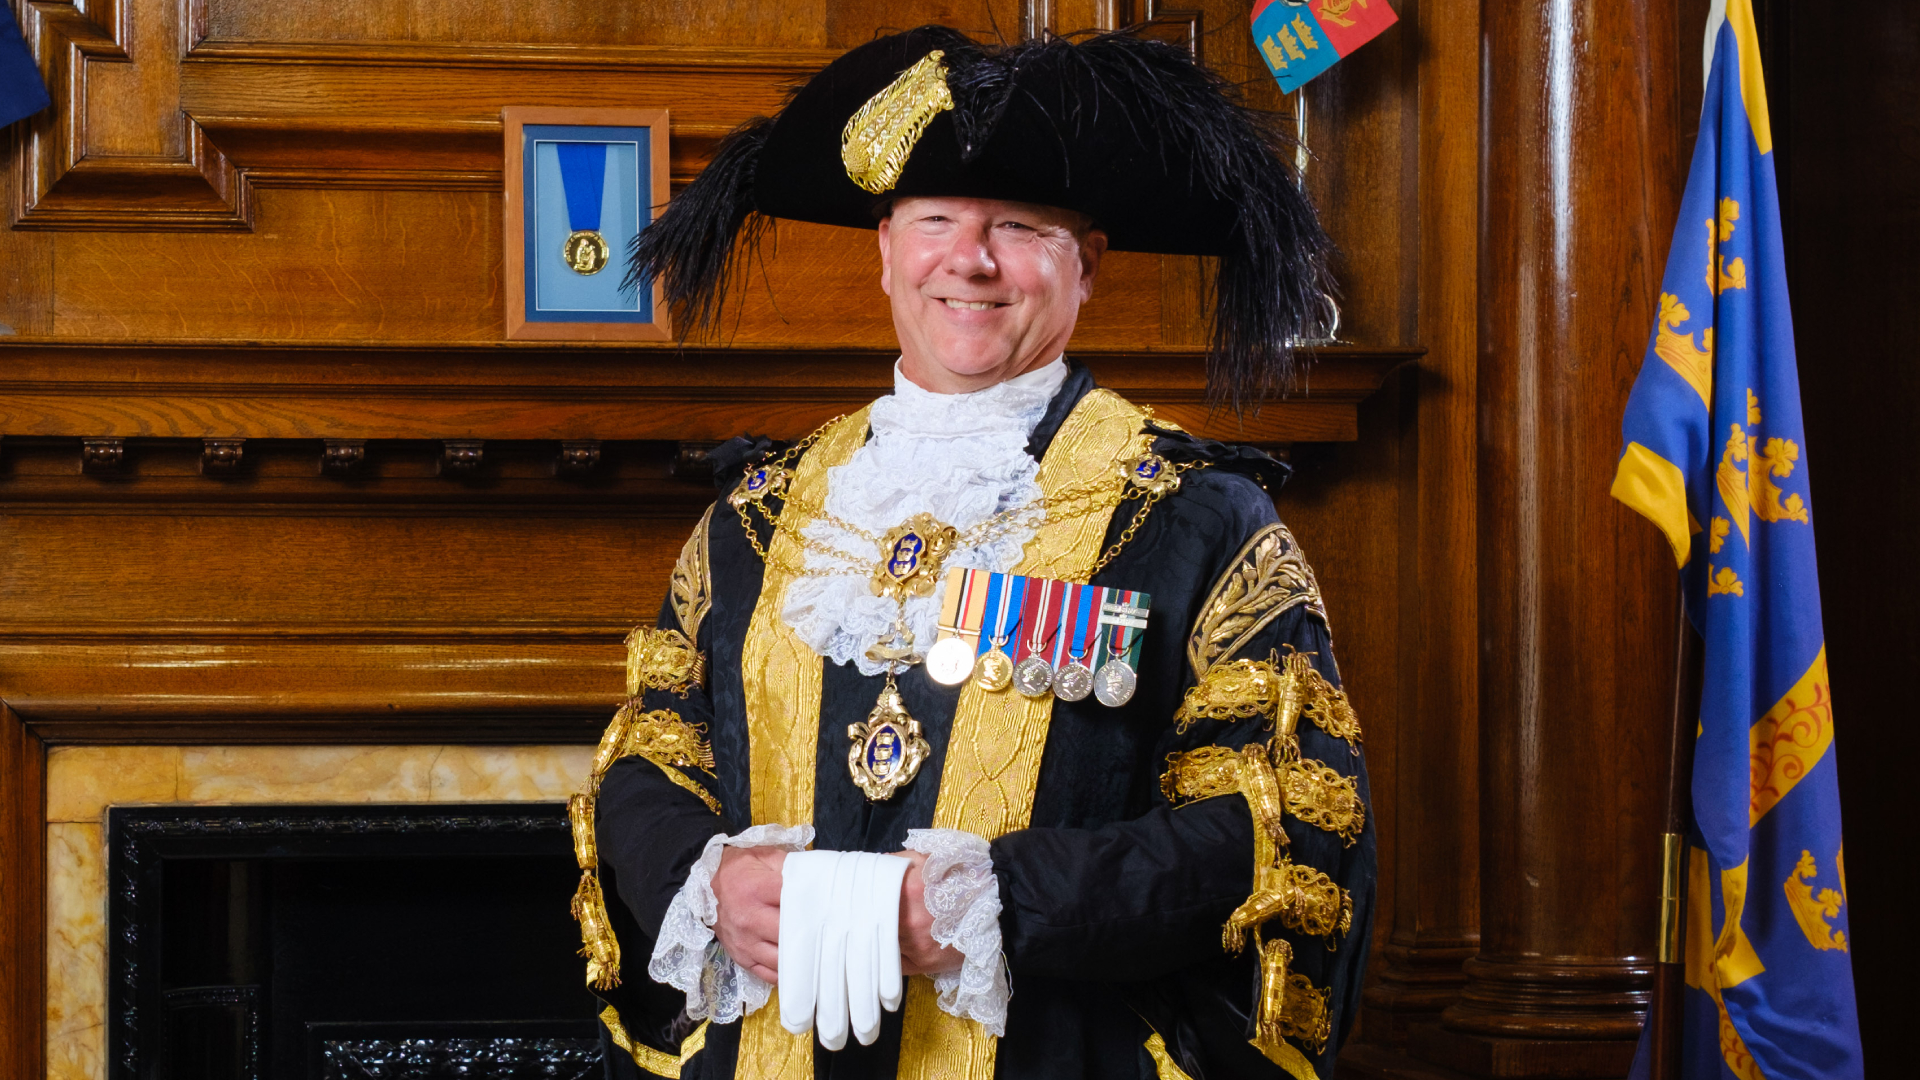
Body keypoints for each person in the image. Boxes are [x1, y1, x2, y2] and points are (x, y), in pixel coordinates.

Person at [566, 25, 1375, 1080]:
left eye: (1020, 226)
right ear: (887, 253)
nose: (970, 259)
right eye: (935, 219)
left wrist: (984, 905)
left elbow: (1279, 824)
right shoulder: (756, 516)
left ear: (1087, 265)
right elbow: (651, 755)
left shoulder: (1201, 521)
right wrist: (707, 879)